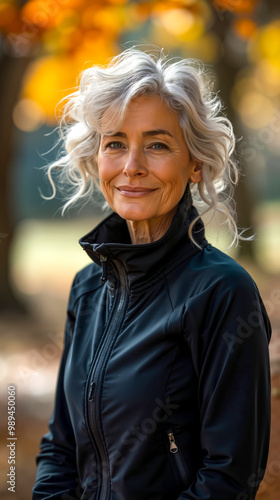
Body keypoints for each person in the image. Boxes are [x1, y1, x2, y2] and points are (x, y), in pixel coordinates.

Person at [32, 48, 271, 500]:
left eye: (157, 145)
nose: (132, 166)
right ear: (96, 158)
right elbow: (60, 448)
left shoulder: (223, 293)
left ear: (195, 163)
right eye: (115, 143)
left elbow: (229, 478)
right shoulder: (87, 289)